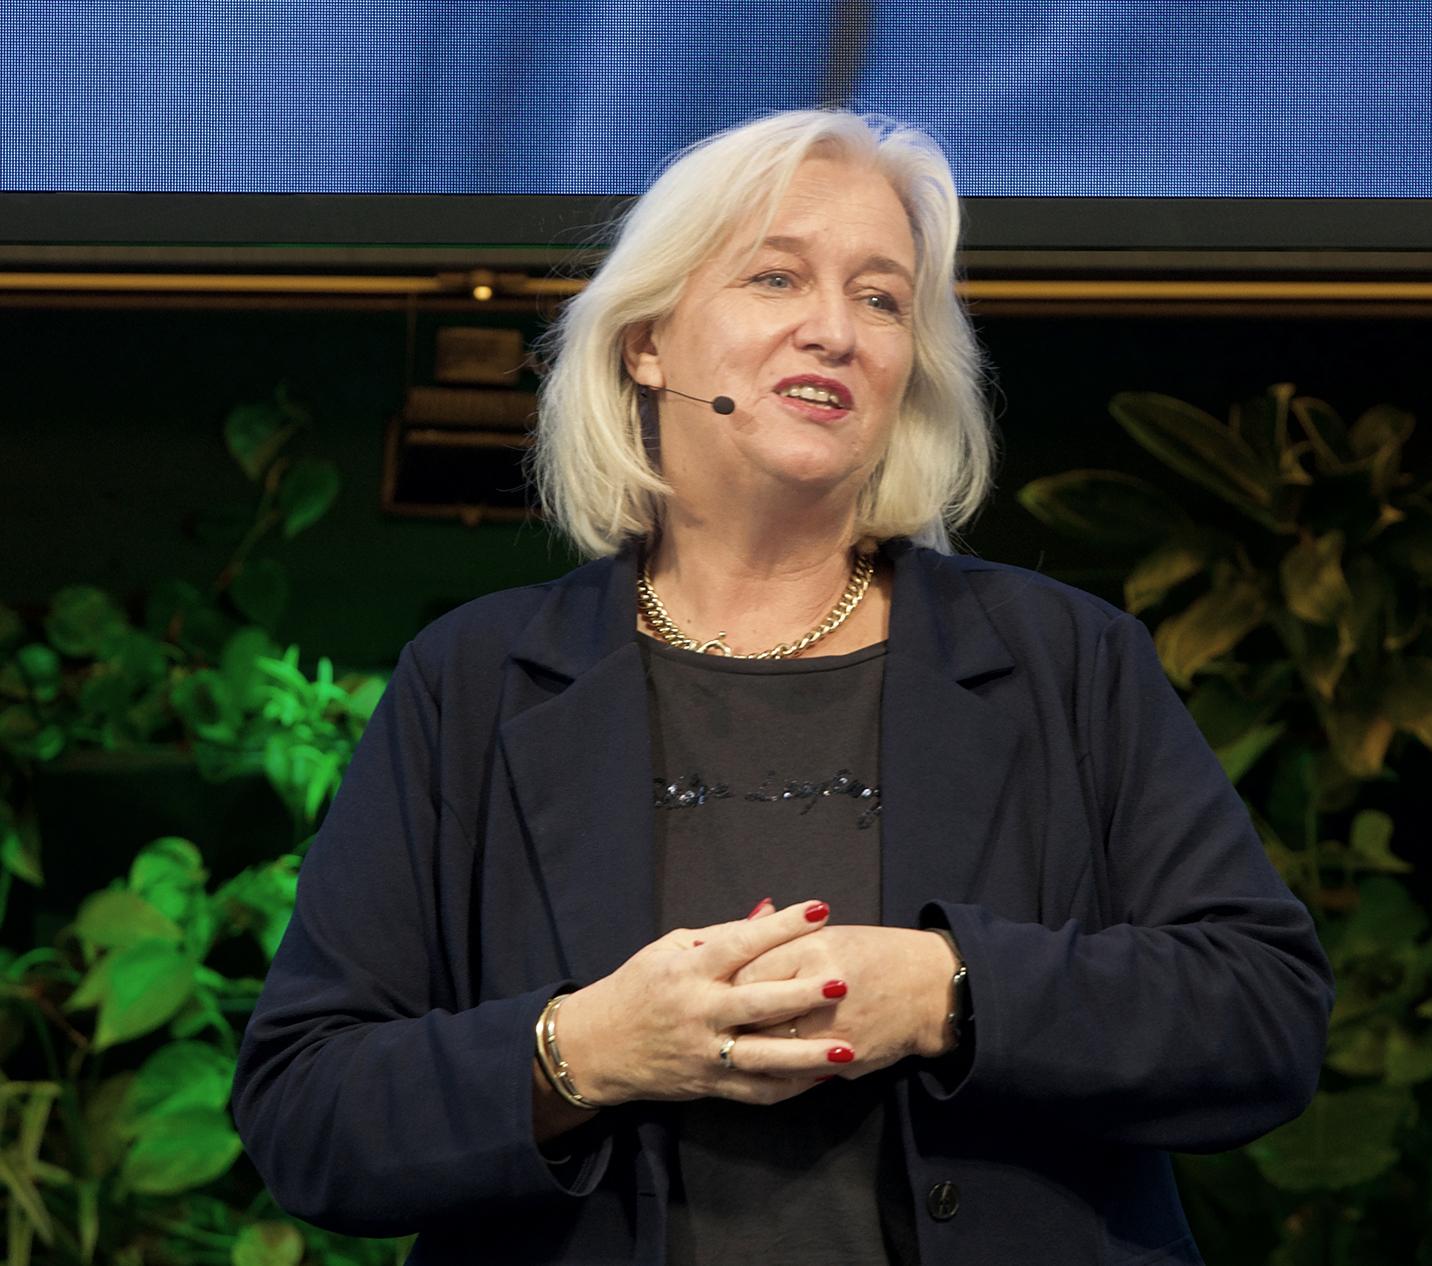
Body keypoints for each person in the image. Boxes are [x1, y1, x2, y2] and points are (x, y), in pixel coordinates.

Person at [231, 108, 1333, 1266]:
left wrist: (949, 993)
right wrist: (586, 1050)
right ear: (647, 343)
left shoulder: (1068, 660)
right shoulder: (473, 683)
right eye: (775, 277)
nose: (835, 331)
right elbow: (309, 1109)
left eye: (881, 299)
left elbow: (1262, 1012)